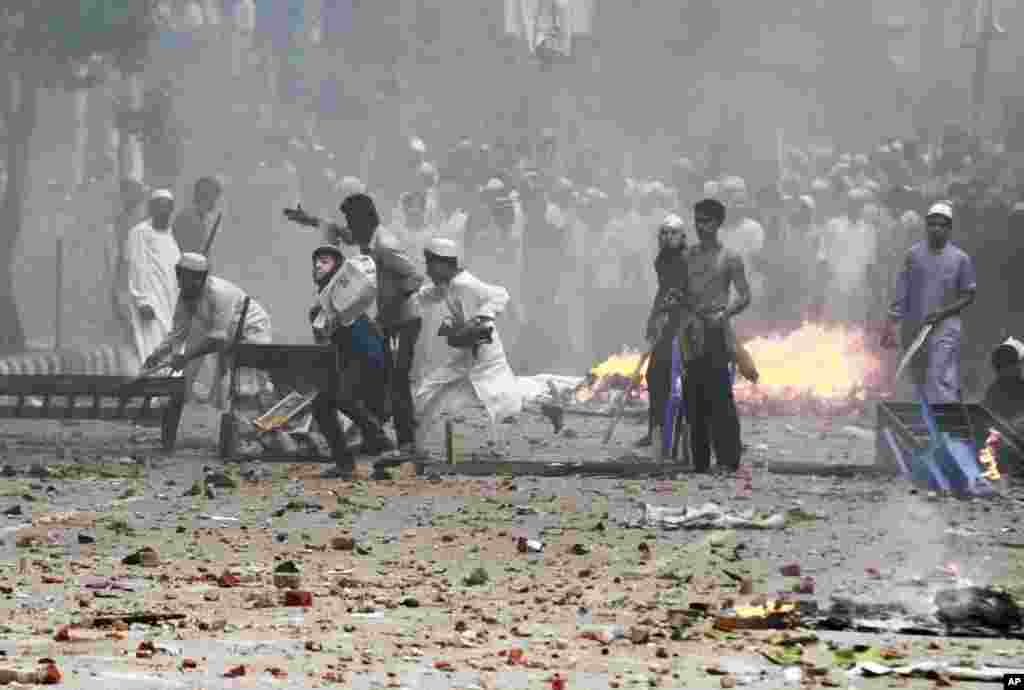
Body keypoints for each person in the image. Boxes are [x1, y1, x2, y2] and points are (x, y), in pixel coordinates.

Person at [328, 193, 424, 456]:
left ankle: (406, 443)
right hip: (390, 320)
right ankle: (377, 437)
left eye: (350, 219)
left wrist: (390, 306)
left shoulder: (385, 244)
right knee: (379, 376)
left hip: (404, 321)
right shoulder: (369, 238)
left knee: (398, 380)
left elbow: (415, 277)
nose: (348, 225)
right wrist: (312, 221)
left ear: (363, 219)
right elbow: (346, 236)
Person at [414, 238, 522, 456]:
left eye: (430, 264)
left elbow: (496, 299)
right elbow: (428, 295)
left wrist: (474, 321)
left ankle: (543, 402)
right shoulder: (449, 284)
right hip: (470, 354)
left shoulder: (463, 285)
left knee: (498, 398)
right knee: (434, 389)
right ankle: (417, 441)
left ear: (444, 264)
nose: (427, 270)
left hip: (483, 354)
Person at [142, 253, 272, 409]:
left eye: (188, 278)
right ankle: (227, 422)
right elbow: (178, 333)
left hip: (251, 329)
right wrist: (158, 354)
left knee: (247, 384)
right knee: (220, 389)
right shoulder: (185, 296)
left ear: (200, 279)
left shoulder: (219, 293)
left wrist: (185, 357)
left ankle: (260, 419)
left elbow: (217, 339)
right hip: (226, 335)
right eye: (180, 277)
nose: (181, 284)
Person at [678, 198, 751, 474]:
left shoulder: (730, 257)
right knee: (693, 396)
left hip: (717, 330)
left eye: (706, 221)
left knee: (720, 396)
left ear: (718, 223)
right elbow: (679, 293)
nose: (700, 226)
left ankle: (728, 460)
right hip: (692, 331)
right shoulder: (687, 257)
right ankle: (699, 462)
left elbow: (745, 295)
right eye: (697, 220)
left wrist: (726, 313)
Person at [307, 243, 392, 478]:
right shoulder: (324, 302)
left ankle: (372, 436)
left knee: (334, 400)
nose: (317, 265)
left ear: (339, 269)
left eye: (325, 261)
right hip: (355, 359)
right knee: (325, 405)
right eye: (316, 261)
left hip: (367, 357)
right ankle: (356, 454)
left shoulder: (343, 296)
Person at [882, 202, 977, 404]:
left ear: (949, 229)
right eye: (932, 224)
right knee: (918, 378)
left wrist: (943, 313)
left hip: (945, 326)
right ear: (926, 226)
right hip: (914, 326)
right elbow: (901, 291)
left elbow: (968, 295)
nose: (936, 228)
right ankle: (927, 425)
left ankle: (945, 425)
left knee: (937, 376)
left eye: (942, 225)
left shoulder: (961, 258)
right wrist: (891, 323)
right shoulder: (913, 254)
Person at [637, 214, 688, 448]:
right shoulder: (661, 261)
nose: (668, 238)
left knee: (676, 380)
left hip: (685, 325)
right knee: (655, 376)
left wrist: (670, 308)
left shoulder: (688, 260)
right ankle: (656, 430)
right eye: (664, 233)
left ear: (682, 236)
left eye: (673, 233)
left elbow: (684, 291)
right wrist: (653, 319)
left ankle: (677, 432)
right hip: (666, 326)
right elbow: (663, 291)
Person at [124, 189, 181, 373]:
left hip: (171, 301)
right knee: (152, 347)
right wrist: (142, 301)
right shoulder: (139, 232)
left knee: (171, 348)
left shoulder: (170, 235)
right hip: (151, 302)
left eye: (167, 207)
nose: (163, 211)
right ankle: (153, 393)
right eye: (158, 207)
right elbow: (137, 267)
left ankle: (167, 394)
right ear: (151, 209)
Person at [172, 176, 223, 256]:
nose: (215, 203)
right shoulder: (188, 218)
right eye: (214, 198)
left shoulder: (199, 218)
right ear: (206, 196)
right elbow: (188, 253)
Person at [983, 337, 1024, 423]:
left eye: (1018, 363)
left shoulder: (992, 392)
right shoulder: (994, 393)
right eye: (1014, 364)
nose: (1019, 368)